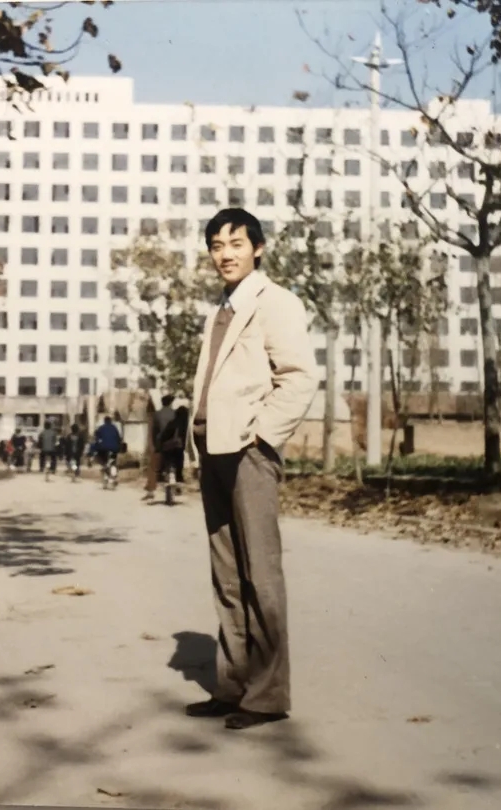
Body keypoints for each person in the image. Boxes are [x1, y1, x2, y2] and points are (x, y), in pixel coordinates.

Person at [184, 207, 317, 731]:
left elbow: (299, 377)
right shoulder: (220, 309)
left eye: (236, 243)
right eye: (217, 246)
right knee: (227, 574)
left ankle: (267, 696)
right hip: (213, 450)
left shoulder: (276, 302)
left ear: (257, 248)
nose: (225, 254)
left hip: (248, 452)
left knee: (259, 573)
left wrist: (262, 437)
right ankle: (233, 684)